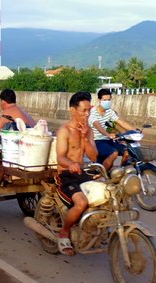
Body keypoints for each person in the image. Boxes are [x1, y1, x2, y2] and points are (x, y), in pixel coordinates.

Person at [54, 91, 98, 256]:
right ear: (73, 110)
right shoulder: (64, 131)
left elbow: (94, 156)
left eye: (89, 111)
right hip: (66, 174)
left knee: (106, 196)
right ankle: (64, 232)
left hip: (83, 172)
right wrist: (71, 164)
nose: (87, 114)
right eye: (83, 111)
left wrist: (86, 137)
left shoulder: (89, 131)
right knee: (81, 203)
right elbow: (60, 157)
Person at [88, 88, 135, 170]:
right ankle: (102, 176)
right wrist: (108, 134)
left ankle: (121, 171)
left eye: (109, 100)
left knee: (128, 151)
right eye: (105, 100)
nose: (107, 102)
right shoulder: (93, 112)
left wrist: (134, 131)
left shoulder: (109, 111)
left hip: (108, 140)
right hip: (97, 141)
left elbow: (120, 122)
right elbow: (98, 126)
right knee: (114, 153)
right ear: (99, 100)